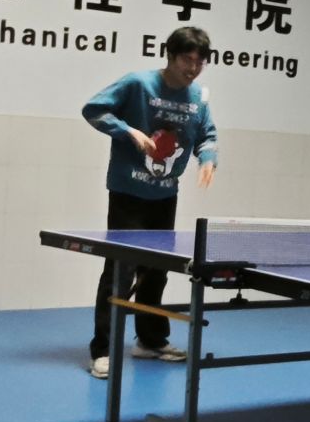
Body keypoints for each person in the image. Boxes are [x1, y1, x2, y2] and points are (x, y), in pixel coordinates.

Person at [81, 27, 219, 379]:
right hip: (128, 194)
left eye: (200, 62)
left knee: (156, 271)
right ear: (170, 55)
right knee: (120, 270)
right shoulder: (138, 84)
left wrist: (208, 159)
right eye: (187, 60)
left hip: (165, 196)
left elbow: (207, 135)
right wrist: (128, 131)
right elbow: (93, 110)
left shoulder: (198, 98)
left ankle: (150, 340)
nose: (193, 68)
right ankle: (102, 350)